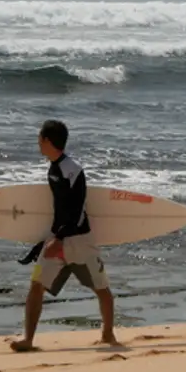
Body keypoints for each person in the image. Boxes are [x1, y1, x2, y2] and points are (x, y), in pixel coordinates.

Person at [10, 119, 118, 352]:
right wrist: (49, 239)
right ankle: (28, 340)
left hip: (79, 240)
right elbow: (59, 210)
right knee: (36, 285)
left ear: (47, 141)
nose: (38, 143)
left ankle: (108, 335)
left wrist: (58, 238)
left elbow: (77, 210)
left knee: (101, 288)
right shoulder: (53, 168)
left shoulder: (73, 170)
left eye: (39, 138)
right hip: (56, 240)